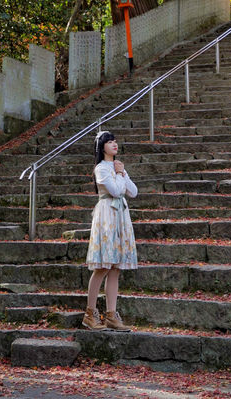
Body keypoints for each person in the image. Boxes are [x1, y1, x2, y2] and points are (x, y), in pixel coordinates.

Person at [83, 129, 138, 331]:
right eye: (109, 141)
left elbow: (133, 191)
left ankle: (111, 315)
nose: (114, 144)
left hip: (121, 215)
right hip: (107, 213)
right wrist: (118, 174)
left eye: (115, 141)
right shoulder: (101, 168)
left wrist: (122, 172)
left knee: (115, 267)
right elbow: (115, 191)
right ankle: (90, 314)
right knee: (103, 266)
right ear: (101, 146)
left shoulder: (117, 167)